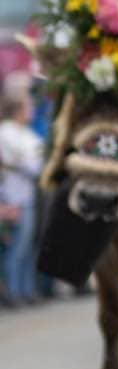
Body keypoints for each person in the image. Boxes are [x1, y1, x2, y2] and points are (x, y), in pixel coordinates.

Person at [0, 93, 43, 306]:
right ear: (17, 109)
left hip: (28, 196)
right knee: (17, 248)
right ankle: (13, 292)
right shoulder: (6, 132)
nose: (32, 110)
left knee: (28, 247)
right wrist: (30, 163)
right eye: (28, 106)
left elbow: (38, 164)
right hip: (12, 198)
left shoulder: (27, 133)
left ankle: (26, 290)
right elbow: (29, 164)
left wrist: (30, 163)